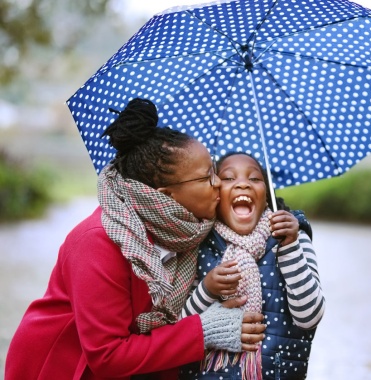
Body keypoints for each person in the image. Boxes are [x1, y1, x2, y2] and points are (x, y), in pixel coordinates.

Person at [5, 99, 265, 380]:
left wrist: (288, 223)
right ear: (166, 197)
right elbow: (108, 355)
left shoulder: (188, 228)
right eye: (206, 177)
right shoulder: (97, 243)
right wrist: (204, 331)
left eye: (215, 171)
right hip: (65, 367)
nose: (218, 184)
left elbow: (252, 216)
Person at [179, 152, 326, 380]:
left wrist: (290, 247)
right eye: (228, 178)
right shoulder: (198, 243)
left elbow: (310, 317)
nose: (243, 184)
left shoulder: (294, 238)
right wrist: (206, 290)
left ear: (267, 196)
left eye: (255, 179)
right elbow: (180, 330)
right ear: (216, 195)